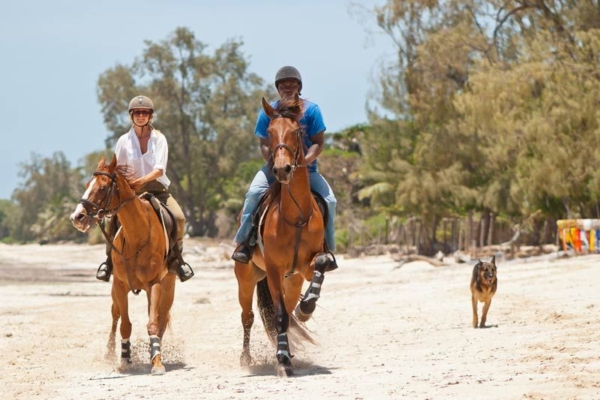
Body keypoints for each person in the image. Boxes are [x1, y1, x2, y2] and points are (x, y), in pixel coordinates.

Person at [231, 66, 338, 270]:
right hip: (274, 168)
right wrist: (274, 162)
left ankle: (328, 248)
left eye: (292, 83)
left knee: (330, 201)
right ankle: (244, 244)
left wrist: (304, 162)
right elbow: (264, 143)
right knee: (253, 193)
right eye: (283, 84)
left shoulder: (312, 110)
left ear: (299, 86)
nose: (288, 87)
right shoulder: (268, 111)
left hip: (308, 171)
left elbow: (318, 142)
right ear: (278, 88)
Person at [96, 95, 195, 283]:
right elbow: (118, 169)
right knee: (113, 222)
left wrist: (140, 181)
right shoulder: (123, 141)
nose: (141, 116)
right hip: (131, 194)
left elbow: (159, 170)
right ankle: (108, 262)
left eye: (145, 112)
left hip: (157, 190)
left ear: (151, 116)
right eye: (137, 112)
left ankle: (177, 260)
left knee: (179, 218)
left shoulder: (159, 139)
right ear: (131, 116)